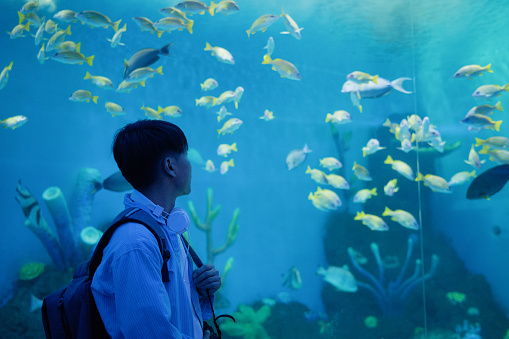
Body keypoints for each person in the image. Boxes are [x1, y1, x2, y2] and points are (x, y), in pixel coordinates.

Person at [91, 119, 221, 338]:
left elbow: (167, 307)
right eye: (186, 155)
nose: (189, 165)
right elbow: (149, 333)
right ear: (170, 166)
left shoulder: (163, 228)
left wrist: (198, 290)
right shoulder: (136, 242)